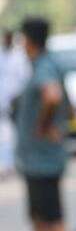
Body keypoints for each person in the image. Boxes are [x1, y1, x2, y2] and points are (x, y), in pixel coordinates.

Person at [15, 18, 68, 231]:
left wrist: (43, 126)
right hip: (38, 160)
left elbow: (52, 95)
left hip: (42, 160)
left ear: (28, 41)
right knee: (39, 217)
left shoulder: (44, 66)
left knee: (50, 220)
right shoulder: (47, 64)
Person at [0, 29, 30, 176]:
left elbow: (23, 79)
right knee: (4, 135)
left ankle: (14, 163)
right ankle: (5, 164)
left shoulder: (18, 58)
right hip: (2, 102)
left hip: (16, 101)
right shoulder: (1, 56)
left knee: (15, 134)